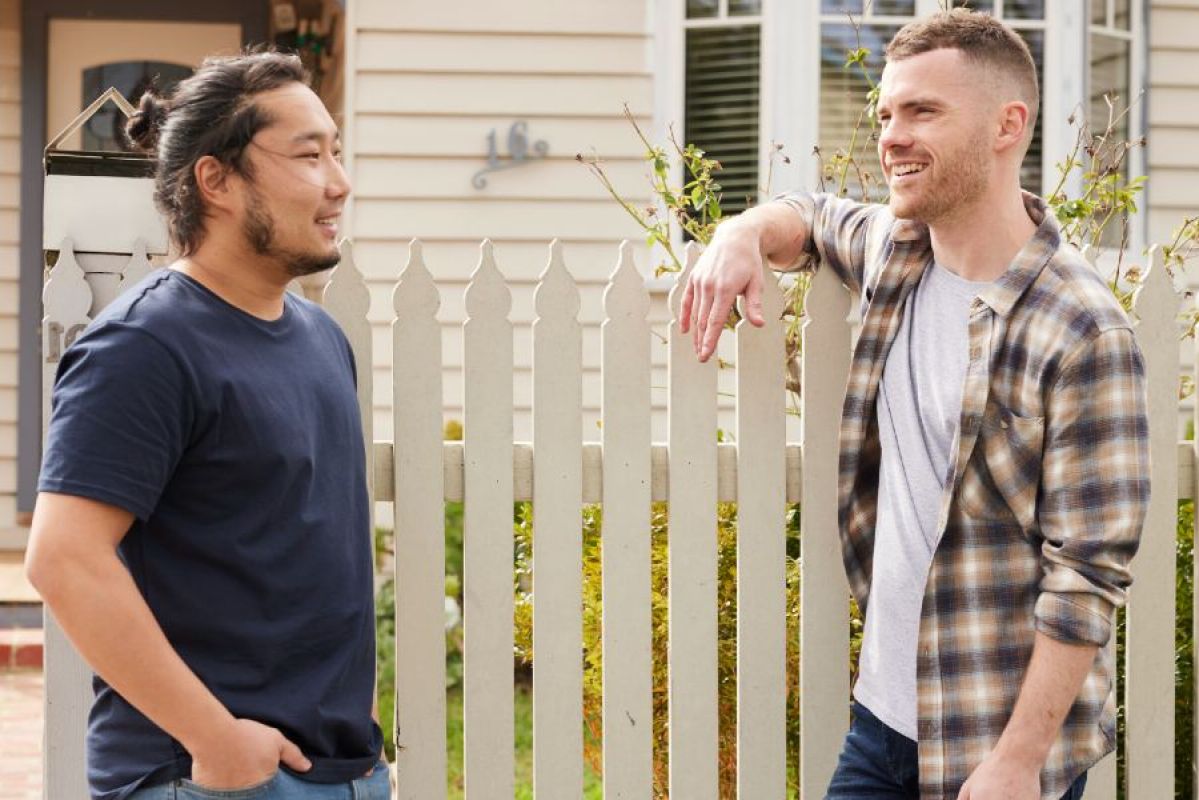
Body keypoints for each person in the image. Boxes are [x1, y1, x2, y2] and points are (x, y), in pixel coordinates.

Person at [681, 10, 1149, 800]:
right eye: (887, 113)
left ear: (1008, 126)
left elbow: (1086, 575)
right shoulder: (899, 250)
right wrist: (740, 232)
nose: (891, 135)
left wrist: (1016, 762)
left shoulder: (1081, 328)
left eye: (922, 111)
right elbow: (812, 216)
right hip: (882, 722)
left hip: (994, 743)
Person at [25, 51, 388, 800]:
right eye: (308, 155)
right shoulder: (146, 344)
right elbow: (64, 557)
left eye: (337, 153)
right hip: (207, 779)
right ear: (215, 180)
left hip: (337, 771)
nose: (338, 182)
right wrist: (214, 740)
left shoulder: (322, 339)